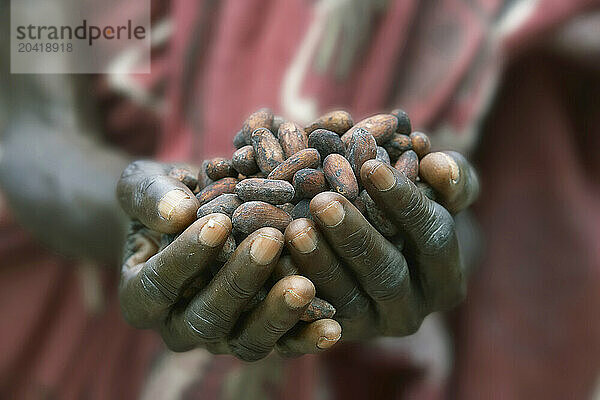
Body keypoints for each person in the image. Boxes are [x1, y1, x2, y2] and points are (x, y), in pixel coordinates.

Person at [1, 0, 599, 399]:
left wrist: (428, 235)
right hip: (78, 338)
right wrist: (156, 218)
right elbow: (33, 134)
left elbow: (529, 196)